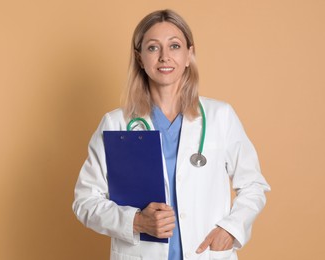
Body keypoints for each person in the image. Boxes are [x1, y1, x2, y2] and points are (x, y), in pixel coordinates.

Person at [72, 9, 270, 260]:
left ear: (189, 54)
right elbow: (85, 201)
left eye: (174, 46)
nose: (165, 57)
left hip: (205, 253)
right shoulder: (116, 123)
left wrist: (230, 230)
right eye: (153, 48)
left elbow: (253, 185)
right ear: (140, 58)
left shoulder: (220, 116)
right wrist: (135, 222)